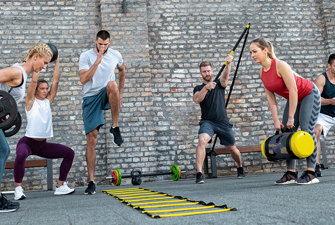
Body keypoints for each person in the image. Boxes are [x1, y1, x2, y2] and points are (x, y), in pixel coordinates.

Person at [250, 38, 321, 185]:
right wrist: (276, 120)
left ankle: (311, 172)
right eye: (251, 52)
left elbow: (293, 90)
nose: (252, 55)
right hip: (294, 98)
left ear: (265, 50)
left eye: (255, 51)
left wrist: (290, 117)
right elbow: (271, 98)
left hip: (308, 94)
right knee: (287, 132)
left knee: (306, 130)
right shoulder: (262, 72)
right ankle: (291, 173)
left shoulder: (280, 65)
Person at [13, 53, 75, 200]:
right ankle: (18, 189)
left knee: (69, 153)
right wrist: (38, 67)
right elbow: (33, 82)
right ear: (36, 90)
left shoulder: (47, 102)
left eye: (46, 88)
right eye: (42, 88)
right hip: (28, 143)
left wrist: (57, 61)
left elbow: (56, 81)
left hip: (43, 145)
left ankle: (60, 186)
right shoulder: (30, 101)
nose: (45, 90)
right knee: (21, 155)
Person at [0, 43, 53, 212]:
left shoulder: (23, 75)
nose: (45, 67)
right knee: (3, 151)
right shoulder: (17, 72)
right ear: (35, 56)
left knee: (3, 150)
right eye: (44, 62)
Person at [79, 30, 125, 194]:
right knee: (92, 139)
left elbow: (122, 70)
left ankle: (115, 126)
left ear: (109, 42)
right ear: (95, 41)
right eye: (100, 44)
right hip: (91, 97)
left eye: (105, 44)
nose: (103, 47)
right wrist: (97, 61)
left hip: (106, 93)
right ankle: (91, 181)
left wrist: (120, 94)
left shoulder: (115, 55)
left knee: (112, 85)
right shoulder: (86, 56)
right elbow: (83, 80)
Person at [193, 55, 245, 184]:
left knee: (233, 149)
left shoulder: (219, 84)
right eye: (204, 71)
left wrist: (228, 64)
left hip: (222, 122)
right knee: (202, 140)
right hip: (207, 122)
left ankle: (240, 167)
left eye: (209, 70)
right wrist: (206, 87)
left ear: (212, 71)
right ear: (201, 73)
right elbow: (197, 99)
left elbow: (226, 77)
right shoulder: (198, 88)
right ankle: (199, 174)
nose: (207, 73)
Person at [314, 53, 335, 177]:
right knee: (316, 130)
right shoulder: (321, 79)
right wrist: (330, 101)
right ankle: (316, 165)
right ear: (329, 66)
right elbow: (315, 99)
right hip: (324, 114)